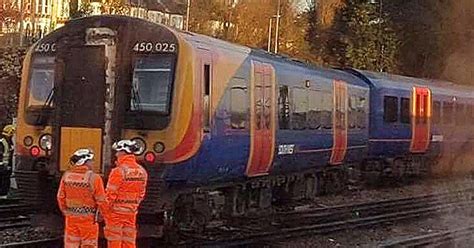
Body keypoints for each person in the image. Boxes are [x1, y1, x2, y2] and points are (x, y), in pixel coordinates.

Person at [57, 149, 108, 248]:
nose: (93, 163)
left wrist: (66, 212)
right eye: (91, 161)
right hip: (88, 220)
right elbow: (101, 201)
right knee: (89, 245)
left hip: (71, 219)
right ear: (86, 162)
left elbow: (60, 197)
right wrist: (101, 215)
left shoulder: (66, 176)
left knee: (71, 245)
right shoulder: (94, 178)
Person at [105, 140, 148, 248]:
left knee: (114, 240)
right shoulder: (142, 171)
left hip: (115, 214)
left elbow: (110, 195)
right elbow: (141, 194)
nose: (116, 154)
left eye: (117, 152)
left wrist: (103, 211)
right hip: (131, 213)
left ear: (123, 153)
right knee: (129, 240)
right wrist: (132, 206)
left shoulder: (118, 171)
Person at [0, 124, 15, 198]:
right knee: (3, 181)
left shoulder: (8, 142)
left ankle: (4, 195)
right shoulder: (2, 142)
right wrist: (3, 165)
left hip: (6, 167)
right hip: (2, 167)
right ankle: (2, 195)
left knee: (5, 181)